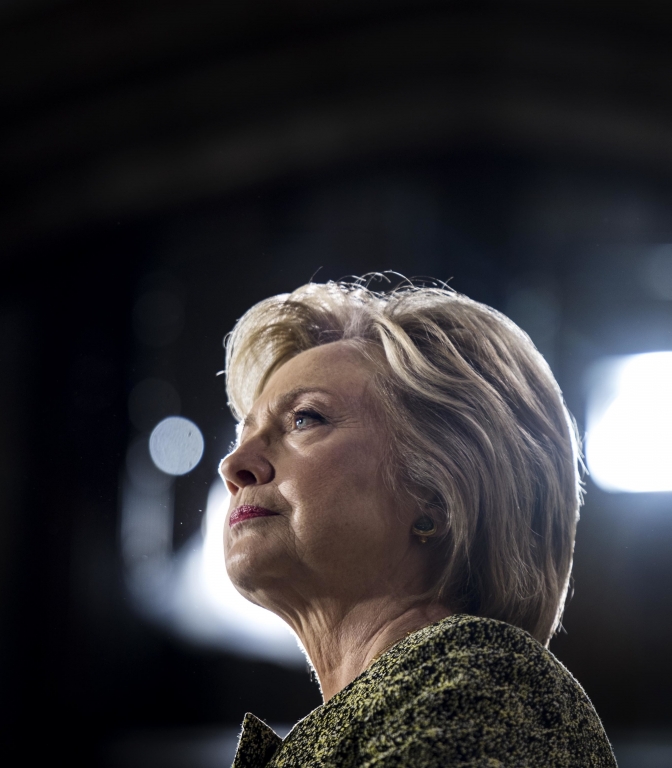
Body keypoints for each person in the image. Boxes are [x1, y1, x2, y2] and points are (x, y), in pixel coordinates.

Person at [219, 278, 616, 767]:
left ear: (437, 495)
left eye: (304, 418)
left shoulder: (482, 684)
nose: (235, 464)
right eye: (244, 433)